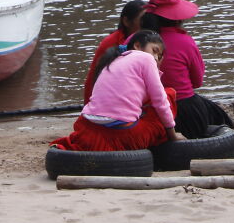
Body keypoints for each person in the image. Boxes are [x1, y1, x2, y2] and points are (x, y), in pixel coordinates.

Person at [51, 30, 185, 151]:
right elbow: (160, 100)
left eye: (159, 55)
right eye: (154, 50)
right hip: (123, 133)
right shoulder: (145, 58)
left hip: (88, 125)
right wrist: (172, 136)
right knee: (169, 95)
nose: (156, 58)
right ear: (137, 46)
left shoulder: (114, 60)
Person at [141, 0, 234, 139]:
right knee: (221, 119)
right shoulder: (185, 42)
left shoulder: (134, 41)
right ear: (178, 18)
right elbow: (197, 82)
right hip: (183, 110)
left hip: (142, 108)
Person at [83, 0, 146, 104]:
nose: (146, 24)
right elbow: (93, 78)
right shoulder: (110, 43)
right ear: (126, 21)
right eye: (143, 20)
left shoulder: (149, 41)